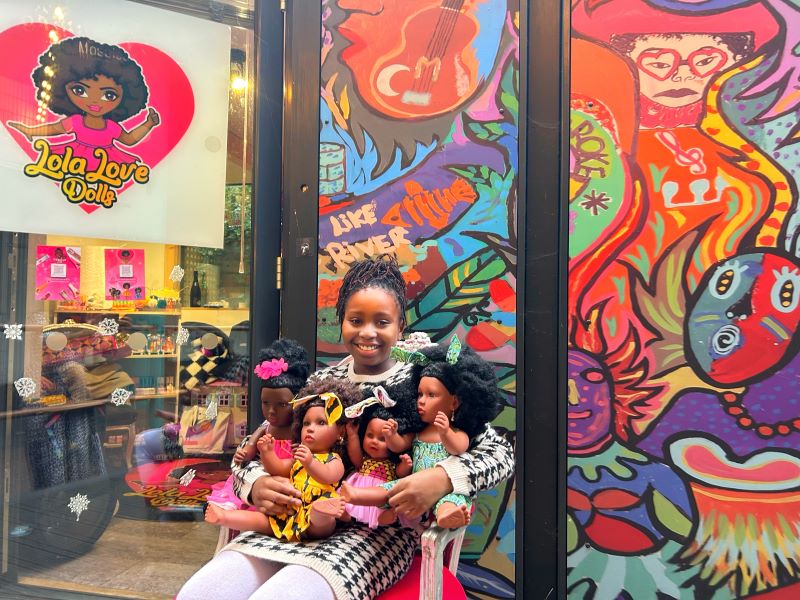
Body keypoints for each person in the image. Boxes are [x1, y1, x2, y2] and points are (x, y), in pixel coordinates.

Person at [177, 254, 515, 600]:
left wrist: (442, 477)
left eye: (382, 322)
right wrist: (256, 483)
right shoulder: (323, 381)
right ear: (341, 322)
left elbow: (499, 452)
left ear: (401, 326)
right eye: (356, 320)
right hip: (295, 521)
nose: (367, 332)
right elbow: (259, 443)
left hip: (375, 535)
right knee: (200, 593)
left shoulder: (423, 385)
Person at [340, 336, 502, 529]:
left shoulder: (457, 431)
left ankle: (446, 515)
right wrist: (391, 436)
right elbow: (400, 445)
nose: (421, 401)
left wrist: (446, 433)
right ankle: (357, 495)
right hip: (411, 484)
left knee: (454, 499)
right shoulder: (419, 431)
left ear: (454, 402)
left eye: (431, 395)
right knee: (390, 489)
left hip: (444, 489)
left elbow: (459, 448)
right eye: (420, 394)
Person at [206, 377, 361, 541]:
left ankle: (320, 511)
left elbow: (330, 476)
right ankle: (224, 517)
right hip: (291, 509)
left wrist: (310, 462)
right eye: (306, 423)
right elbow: (279, 469)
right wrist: (267, 453)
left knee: (322, 521)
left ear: (340, 433)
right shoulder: (298, 458)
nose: (310, 429)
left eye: (321, 423)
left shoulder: (333, 459)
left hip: (317, 509)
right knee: (262, 521)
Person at [7, 36, 160, 166]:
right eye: (80, 91)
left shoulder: (112, 127)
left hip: (108, 166)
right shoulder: (75, 122)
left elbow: (128, 140)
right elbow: (52, 129)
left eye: (108, 95)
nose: (94, 101)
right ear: (61, 88)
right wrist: (30, 131)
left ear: (127, 96)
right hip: (71, 159)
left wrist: (149, 124)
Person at [205, 339, 309, 514]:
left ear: (297, 402)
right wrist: (244, 452)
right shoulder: (266, 428)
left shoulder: (300, 429)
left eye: (281, 405)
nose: (271, 411)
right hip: (263, 481)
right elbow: (250, 448)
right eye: (265, 403)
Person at [339, 387, 413, 528]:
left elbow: (399, 473)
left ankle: (383, 518)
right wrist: (353, 435)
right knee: (344, 502)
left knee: (384, 503)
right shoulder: (365, 459)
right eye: (370, 435)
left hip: (380, 493)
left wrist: (405, 465)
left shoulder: (391, 463)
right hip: (358, 487)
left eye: (382, 439)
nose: (374, 441)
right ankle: (347, 515)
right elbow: (355, 459)